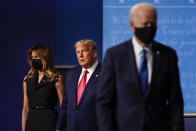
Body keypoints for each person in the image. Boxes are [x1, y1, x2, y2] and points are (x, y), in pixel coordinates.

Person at [96, 2, 184, 131]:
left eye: (152, 24)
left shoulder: (168, 55)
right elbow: (104, 101)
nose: (149, 27)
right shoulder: (115, 55)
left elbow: (175, 101)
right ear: (132, 25)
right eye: (145, 24)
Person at [56, 39, 102, 131]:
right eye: (77, 52)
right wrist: (59, 127)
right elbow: (65, 103)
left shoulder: (106, 74)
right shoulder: (71, 73)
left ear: (94, 53)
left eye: (84, 51)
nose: (80, 55)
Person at [22, 43, 64, 131]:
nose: (34, 60)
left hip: (50, 121)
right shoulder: (27, 79)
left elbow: (63, 106)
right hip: (32, 121)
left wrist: (60, 127)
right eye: (32, 58)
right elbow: (25, 108)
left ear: (45, 57)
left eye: (36, 57)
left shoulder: (56, 78)